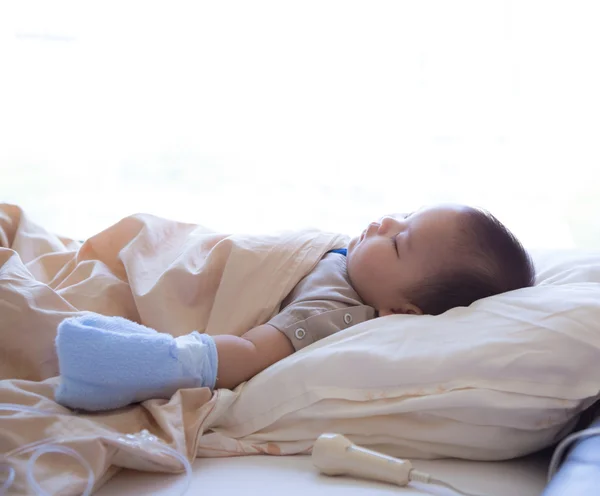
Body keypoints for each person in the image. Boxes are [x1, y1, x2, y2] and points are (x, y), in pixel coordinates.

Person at [54, 204, 535, 411]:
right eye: (405, 214)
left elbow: (247, 351)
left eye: (398, 241)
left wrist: (152, 360)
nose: (386, 220)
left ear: (403, 312)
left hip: (165, 284)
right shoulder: (351, 261)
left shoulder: (335, 309)